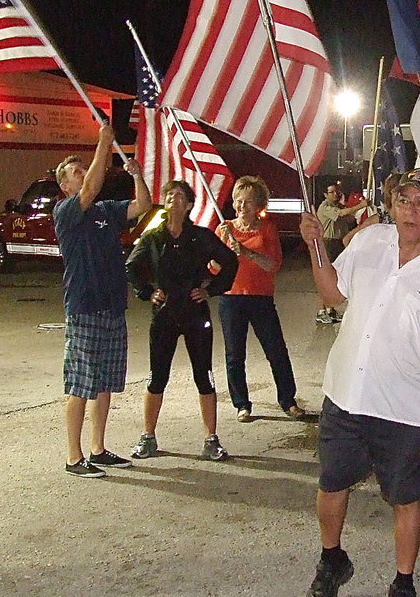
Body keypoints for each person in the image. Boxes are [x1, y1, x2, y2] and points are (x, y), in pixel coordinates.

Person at [298, 167, 420, 597]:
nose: (410, 211)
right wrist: (315, 243)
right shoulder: (369, 241)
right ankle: (331, 559)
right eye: (404, 201)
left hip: (407, 410)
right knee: (331, 484)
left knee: (405, 498)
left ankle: (403, 583)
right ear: (392, 204)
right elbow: (331, 293)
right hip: (346, 394)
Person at [54, 123, 152, 478]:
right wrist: (102, 145)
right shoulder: (66, 211)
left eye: (84, 170)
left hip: (112, 305)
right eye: (75, 173)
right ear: (64, 185)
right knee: (81, 382)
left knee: (106, 382)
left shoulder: (105, 210)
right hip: (84, 305)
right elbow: (90, 187)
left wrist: (137, 175)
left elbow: (143, 205)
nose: (83, 176)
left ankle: (98, 447)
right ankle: (73, 456)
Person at [125, 180, 238, 459]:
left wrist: (210, 289)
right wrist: (147, 292)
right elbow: (132, 267)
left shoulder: (200, 236)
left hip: (195, 315)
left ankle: (211, 439)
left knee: (204, 377)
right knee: (156, 378)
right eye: (169, 195)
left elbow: (230, 261)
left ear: (189, 205)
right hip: (164, 317)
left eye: (179, 196)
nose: (173, 199)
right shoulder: (153, 238)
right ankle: (148, 436)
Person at [216, 176, 308, 423]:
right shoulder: (224, 228)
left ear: (258, 205)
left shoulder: (267, 229)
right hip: (232, 298)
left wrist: (245, 252)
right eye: (237, 201)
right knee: (235, 355)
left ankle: (288, 400)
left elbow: (273, 264)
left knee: (276, 351)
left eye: (247, 202)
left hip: (261, 299)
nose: (241, 207)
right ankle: (242, 404)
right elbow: (213, 269)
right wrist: (224, 245)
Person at [315, 182, 366, 324]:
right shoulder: (325, 207)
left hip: (339, 243)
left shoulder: (340, 207)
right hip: (328, 242)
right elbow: (342, 214)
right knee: (328, 277)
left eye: (337, 191)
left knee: (337, 275)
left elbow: (349, 218)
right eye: (332, 192)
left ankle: (330, 310)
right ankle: (322, 311)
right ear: (325, 195)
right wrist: (359, 206)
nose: (336, 194)